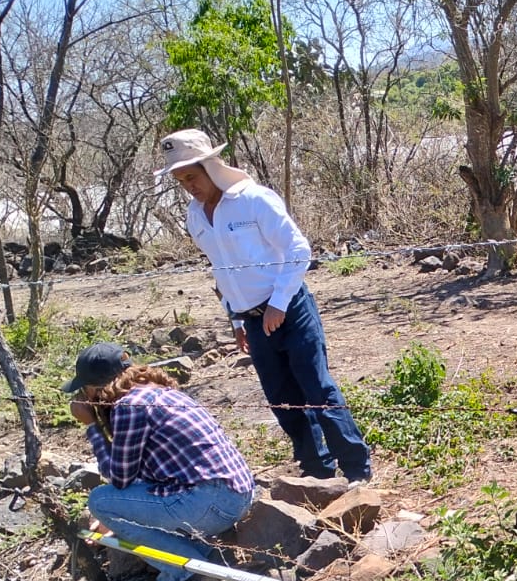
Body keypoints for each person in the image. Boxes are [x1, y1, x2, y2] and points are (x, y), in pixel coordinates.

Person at [155, 128, 372, 484]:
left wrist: (279, 303)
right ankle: (315, 471)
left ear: (210, 165)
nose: (189, 187)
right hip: (252, 321)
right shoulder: (196, 216)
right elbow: (222, 269)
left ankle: (356, 469)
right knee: (281, 398)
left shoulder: (254, 199)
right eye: (181, 181)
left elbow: (298, 250)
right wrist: (236, 320)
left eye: (192, 177)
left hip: (291, 310)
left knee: (317, 389)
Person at [67, 342, 256, 581]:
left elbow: (118, 478)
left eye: (84, 390)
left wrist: (92, 426)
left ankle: (180, 567)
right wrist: (120, 515)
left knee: (100, 501)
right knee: (113, 503)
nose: (83, 397)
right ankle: (195, 549)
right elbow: (139, 474)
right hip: (237, 496)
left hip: (211, 504)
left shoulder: (128, 406)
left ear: (96, 387)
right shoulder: (158, 392)